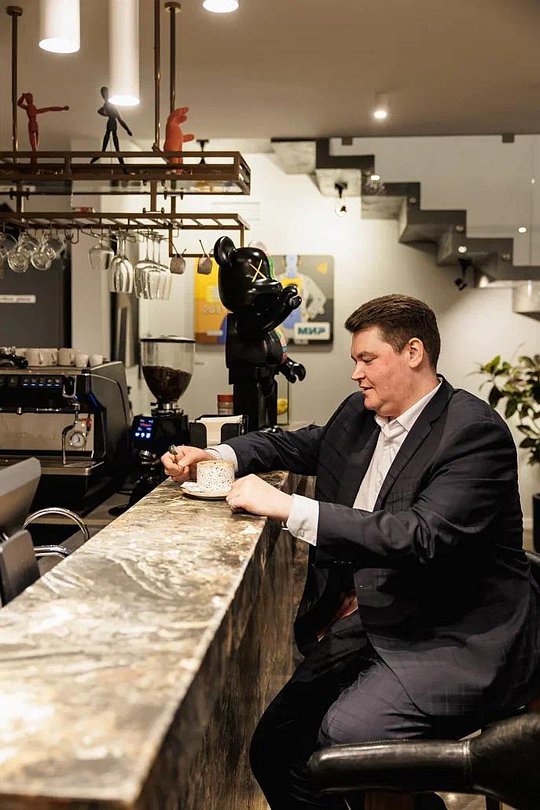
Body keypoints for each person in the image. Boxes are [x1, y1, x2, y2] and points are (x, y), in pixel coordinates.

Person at [161, 294, 540, 810]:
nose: (357, 373)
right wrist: (219, 453)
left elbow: (419, 535)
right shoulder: (360, 415)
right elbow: (296, 444)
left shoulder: (473, 433)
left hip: (452, 631)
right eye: (355, 361)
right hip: (375, 617)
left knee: (345, 737)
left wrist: (288, 506)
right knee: (274, 750)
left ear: (413, 353)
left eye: (367, 359)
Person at [90, 86, 132, 166]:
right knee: (112, 150)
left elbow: (119, 120)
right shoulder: (108, 105)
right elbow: (119, 120)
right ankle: (91, 163)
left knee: (115, 149)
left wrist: (127, 130)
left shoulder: (109, 105)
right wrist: (127, 130)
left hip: (112, 125)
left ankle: (124, 168)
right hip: (111, 125)